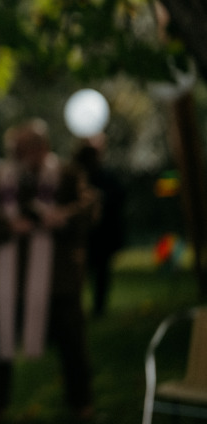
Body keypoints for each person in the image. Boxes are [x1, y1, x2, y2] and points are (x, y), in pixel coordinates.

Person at [0, 119, 95, 424]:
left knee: (72, 341)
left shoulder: (67, 175)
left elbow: (88, 207)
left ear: (44, 147)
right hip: (9, 278)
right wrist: (8, 225)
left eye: (31, 147)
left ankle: (82, 403)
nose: (25, 154)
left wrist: (62, 216)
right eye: (19, 148)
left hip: (58, 279)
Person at [72, 133, 127, 317]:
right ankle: (90, 306)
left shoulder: (105, 176)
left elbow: (119, 197)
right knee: (92, 271)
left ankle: (96, 307)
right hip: (90, 234)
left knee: (98, 271)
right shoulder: (80, 177)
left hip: (101, 233)